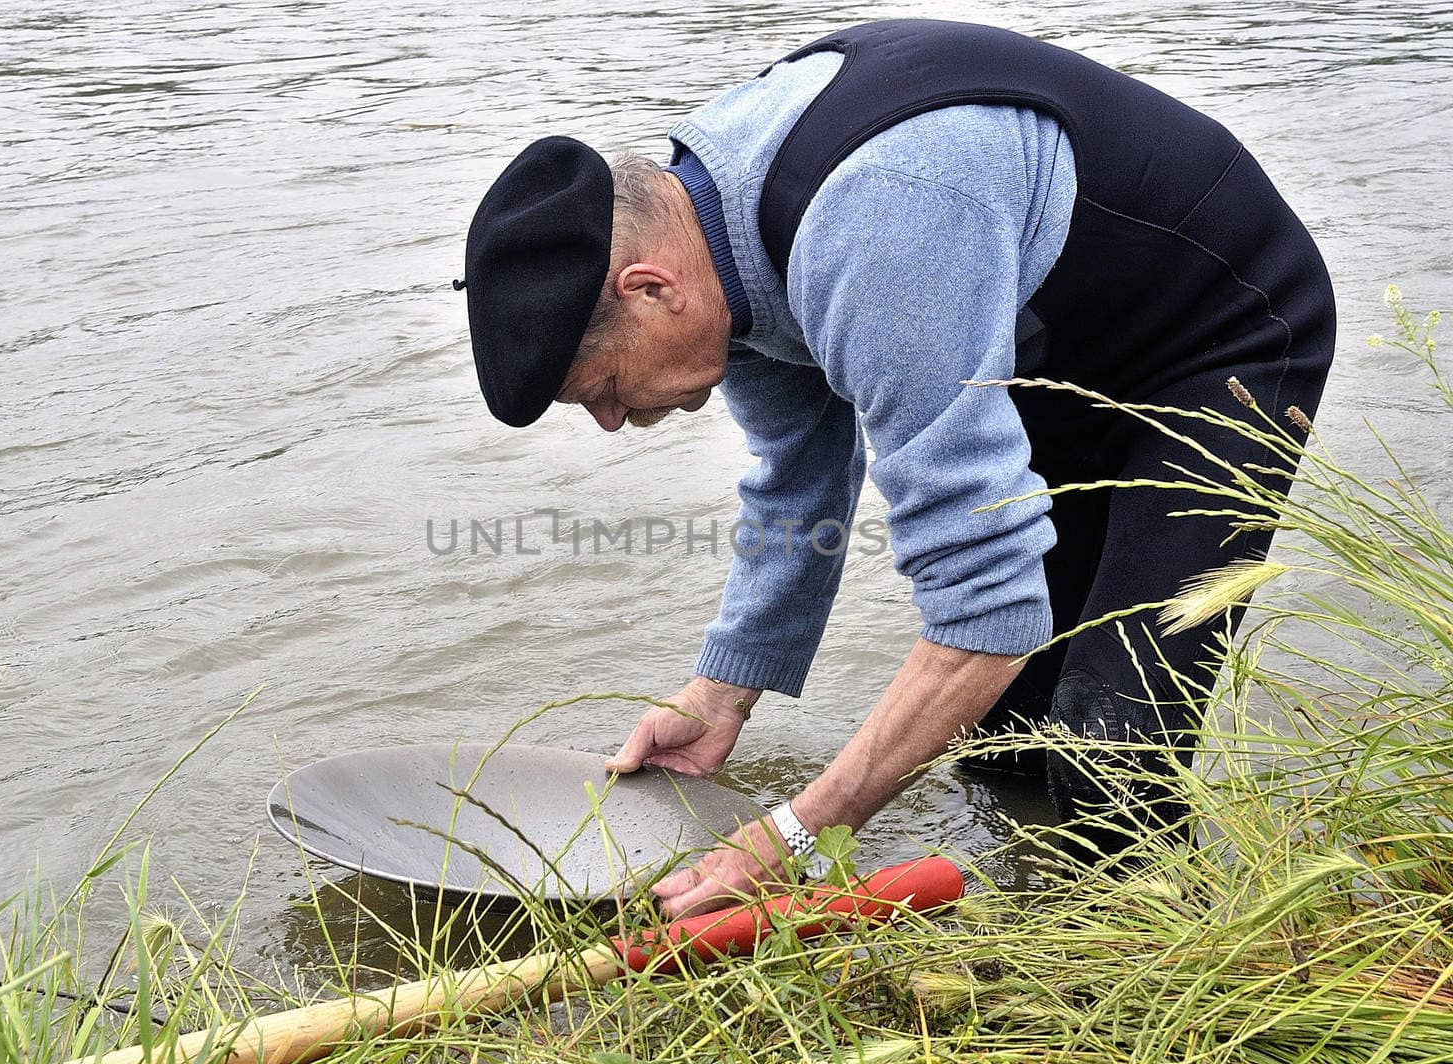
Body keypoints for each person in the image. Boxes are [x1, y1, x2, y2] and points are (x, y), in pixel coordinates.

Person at [457, 19, 1335, 916]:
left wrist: (798, 830)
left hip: (1225, 331)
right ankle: (1035, 930)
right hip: (1044, 342)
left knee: (1112, 746)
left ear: (649, 288)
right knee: (1007, 737)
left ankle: (1160, 986)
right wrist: (718, 696)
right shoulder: (705, 235)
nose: (611, 420)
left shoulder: (876, 224)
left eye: (601, 385)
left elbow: (984, 611)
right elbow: (800, 484)